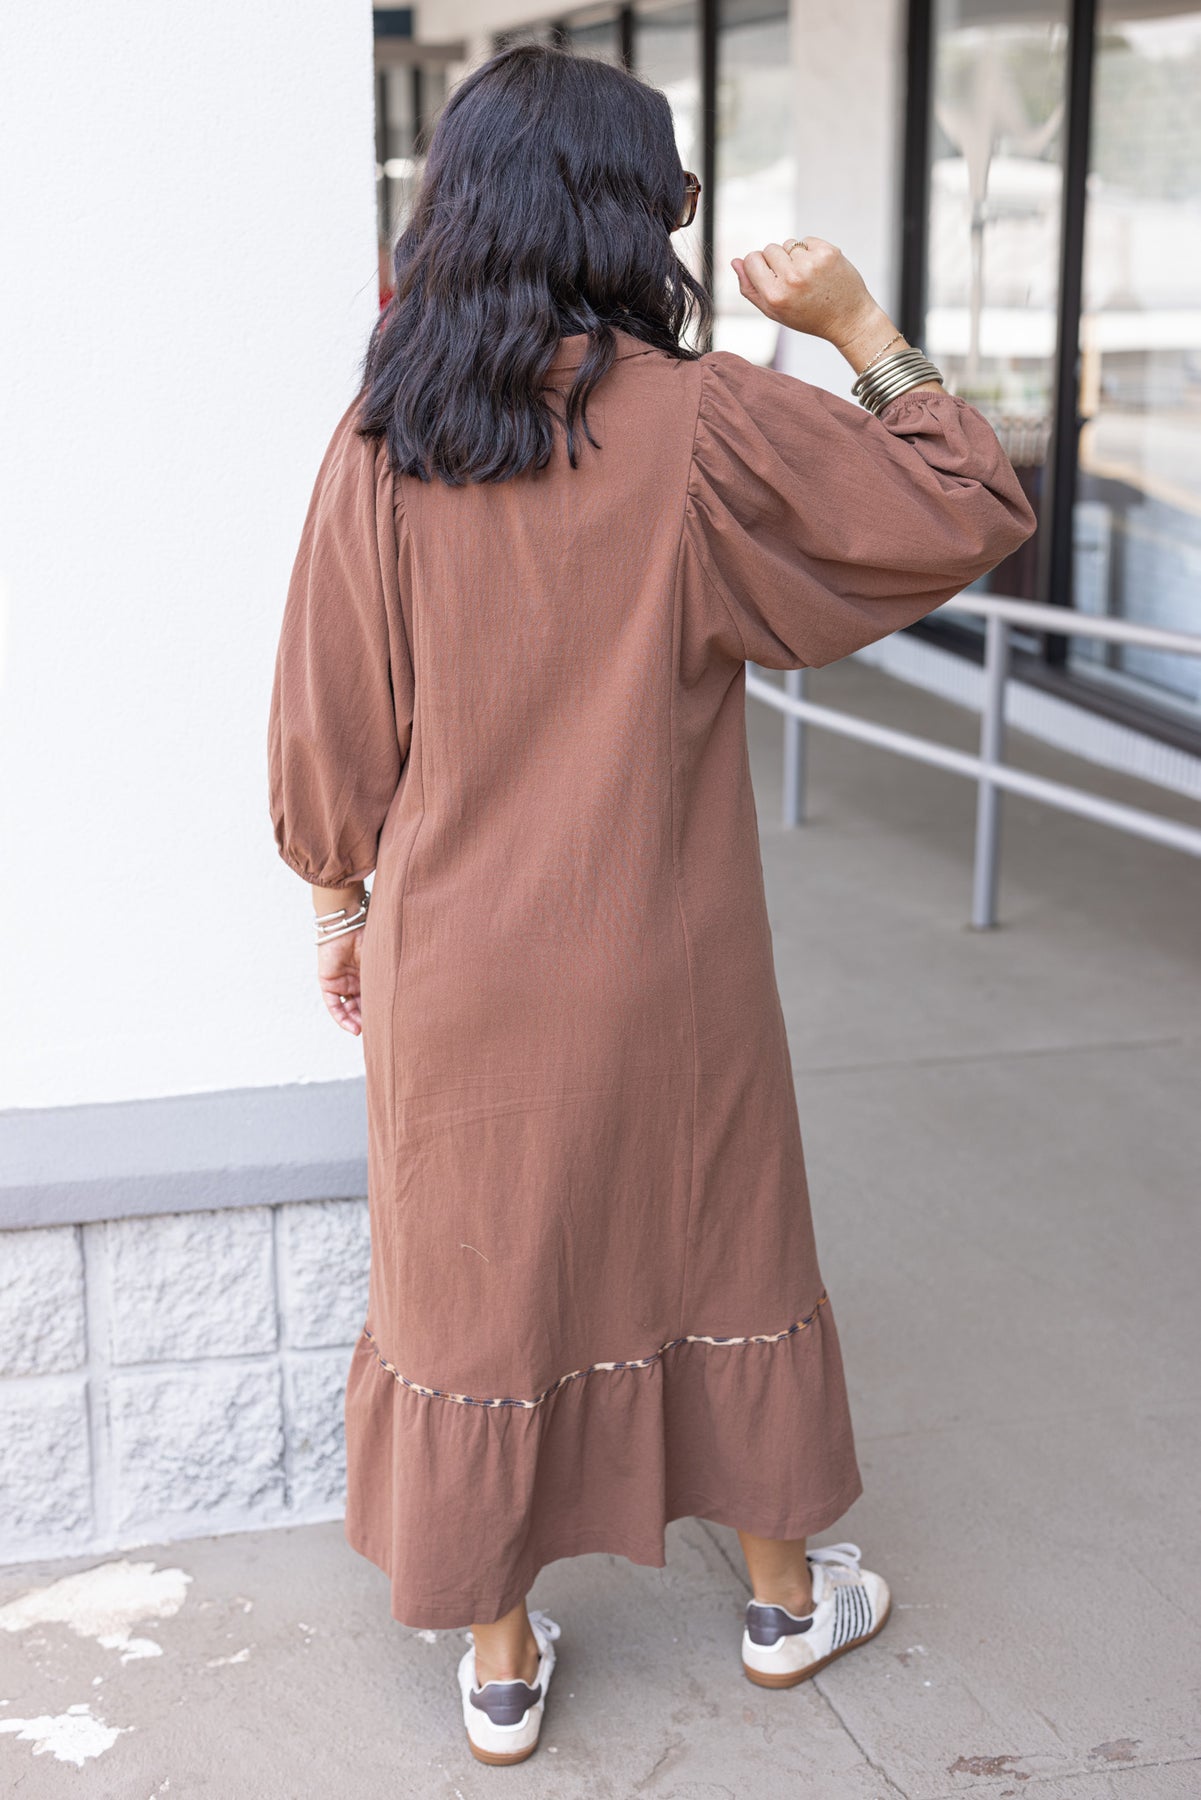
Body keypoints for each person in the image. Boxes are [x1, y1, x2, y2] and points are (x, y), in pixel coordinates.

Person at [266, 43, 1036, 1768]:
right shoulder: (698, 423)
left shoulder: (386, 437)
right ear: (637, 218)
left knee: (475, 1278)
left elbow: (326, 724)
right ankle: (781, 1606)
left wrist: (338, 910)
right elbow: (964, 505)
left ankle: (499, 1667)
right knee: (719, 1242)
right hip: (666, 957)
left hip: (456, 959)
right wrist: (856, 325)